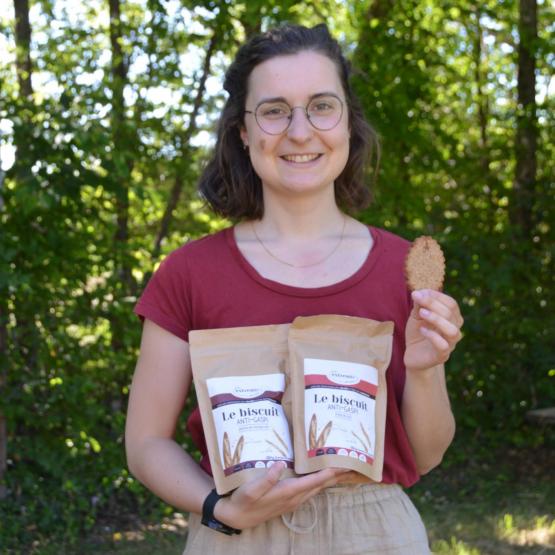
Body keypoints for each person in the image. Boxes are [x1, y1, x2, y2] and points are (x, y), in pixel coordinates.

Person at [125, 23, 463, 554]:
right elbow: (145, 443)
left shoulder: (403, 267)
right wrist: (220, 507)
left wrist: (425, 369)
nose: (301, 132)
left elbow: (424, 455)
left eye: (322, 106)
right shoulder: (189, 273)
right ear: (243, 129)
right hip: (237, 535)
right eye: (275, 110)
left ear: (348, 122)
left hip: (377, 534)